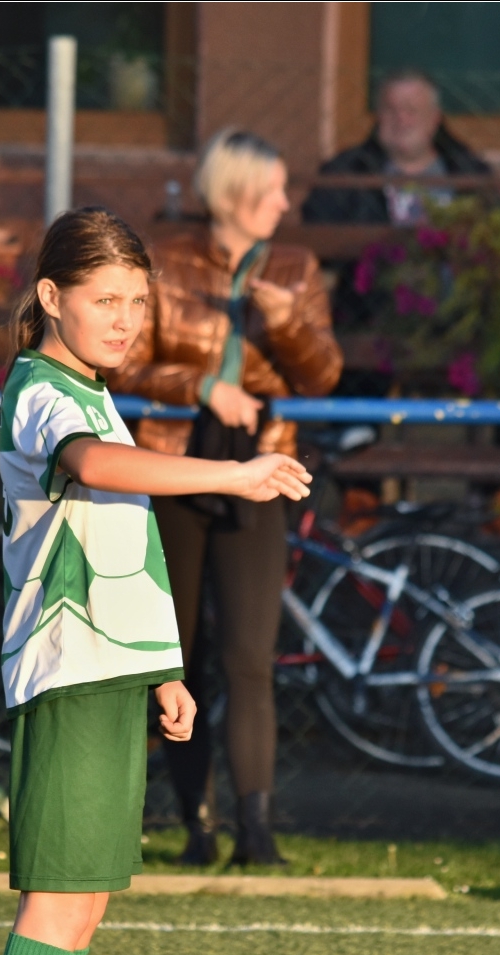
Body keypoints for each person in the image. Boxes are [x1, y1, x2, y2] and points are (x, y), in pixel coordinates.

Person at [0, 207, 310, 955]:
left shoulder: (92, 391)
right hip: (68, 672)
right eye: (105, 299)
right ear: (51, 297)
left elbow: (129, 537)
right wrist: (235, 473)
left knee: (82, 907)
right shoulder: (41, 391)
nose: (125, 319)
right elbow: (96, 469)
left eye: (136, 301)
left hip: (112, 673)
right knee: (55, 904)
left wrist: (164, 668)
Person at [111, 130, 342, 867]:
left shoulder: (296, 268)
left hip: (259, 471)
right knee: (177, 653)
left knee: (249, 654)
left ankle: (257, 830)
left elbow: (323, 376)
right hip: (176, 467)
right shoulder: (167, 260)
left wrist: (285, 320)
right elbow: (127, 362)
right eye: (273, 189)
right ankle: (196, 825)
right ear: (236, 193)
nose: (284, 202)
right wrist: (203, 386)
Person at [301, 70, 496, 227]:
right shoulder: (346, 170)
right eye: (391, 110)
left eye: (411, 110)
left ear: (434, 118)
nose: (401, 119)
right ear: (378, 116)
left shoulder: (468, 171)